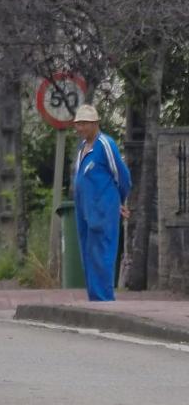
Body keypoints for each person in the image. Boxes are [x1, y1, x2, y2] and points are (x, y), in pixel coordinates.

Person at [71, 104, 131, 302]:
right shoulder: (82, 148)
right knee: (88, 253)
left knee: (102, 253)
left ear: (95, 124)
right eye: (78, 124)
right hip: (84, 208)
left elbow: (122, 176)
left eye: (84, 124)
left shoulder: (105, 144)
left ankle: (105, 299)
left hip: (103, 208)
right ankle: (94, 297)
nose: (80, 128)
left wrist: (120, 201)